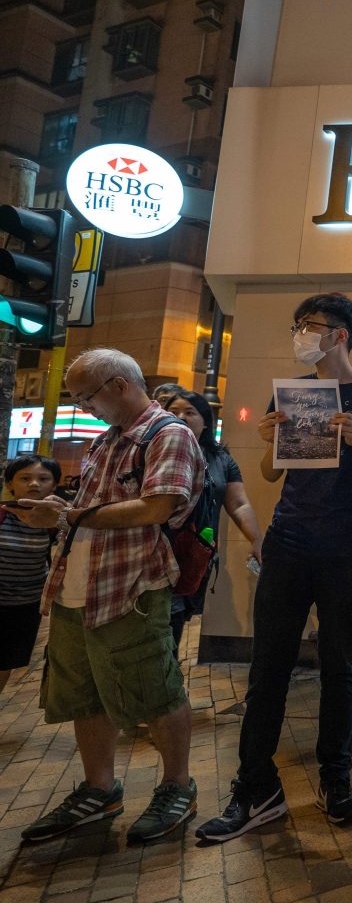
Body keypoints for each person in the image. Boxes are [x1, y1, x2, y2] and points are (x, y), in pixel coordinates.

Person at [197, 294, 352, 842]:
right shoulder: (294, 393)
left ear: (340, 335)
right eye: (298, 326)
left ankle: (337, 779)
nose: (301, 335)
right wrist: (268, 441)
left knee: (339, 665)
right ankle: (255, 786)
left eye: (310, 326)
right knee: (269, 666)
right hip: (289, 538)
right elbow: (269, 473)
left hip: (349, 541)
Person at [11, 348, 204, 844]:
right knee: (84, 693)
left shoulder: (168, 434)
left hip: (131, 586)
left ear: (118, 386)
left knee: (155, 690)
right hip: (78, 587)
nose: (83, 406)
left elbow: (159, 506)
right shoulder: (107, 440)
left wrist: (71, 516)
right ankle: (100, 789)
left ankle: (177, 785)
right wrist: (58, 511)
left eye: (85, 396)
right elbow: (88, 509)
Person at [161, 390, 265, 655]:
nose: (180, 418)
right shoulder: (157, 451)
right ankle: (163, 686)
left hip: (196, 555)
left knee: (177, 618)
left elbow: (239, 504)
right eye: (173, 412)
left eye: (189, 412)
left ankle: (164, 683)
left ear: (206, 422)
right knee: (164, 622)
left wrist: (256, 539)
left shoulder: (221, 460)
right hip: (157, 552)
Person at [0, 454, 61, 694]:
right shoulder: (3, 515)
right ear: (9, 484)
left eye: (43, 478)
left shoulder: (57, 522)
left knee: (6, 662)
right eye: (25, 478)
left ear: (54, 485)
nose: (34, 484)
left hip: (26, 606)